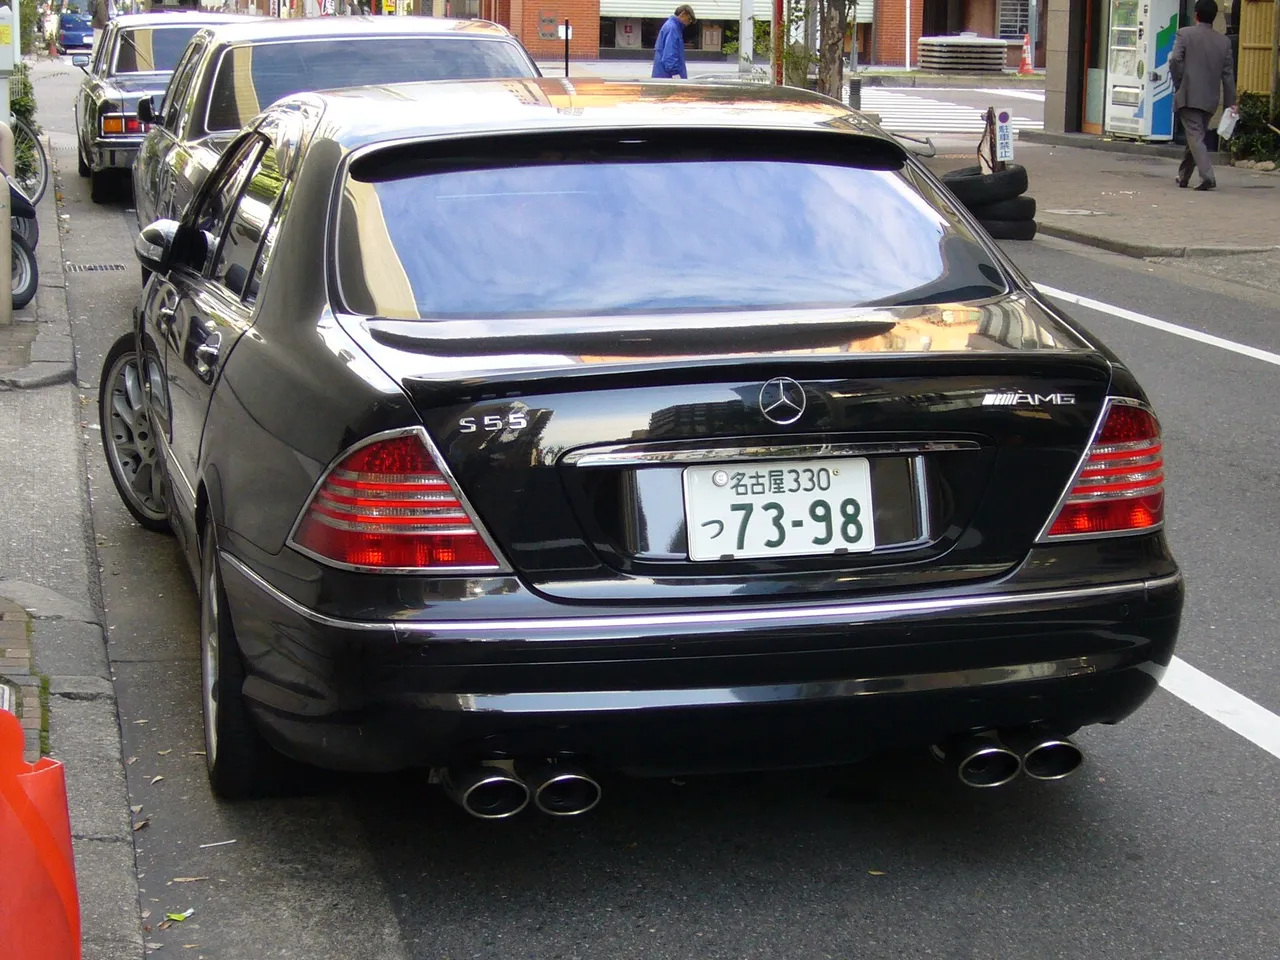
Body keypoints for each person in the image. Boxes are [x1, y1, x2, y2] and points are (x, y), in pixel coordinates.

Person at [1168, 0, 1236, 191]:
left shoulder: (1185, 33)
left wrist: (1179, 81)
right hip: (1210, 99)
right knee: (1195, 136)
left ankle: (1207, 176)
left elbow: (1175, 59)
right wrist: (1231, 102)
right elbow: (1228, 75)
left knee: (1195, 137)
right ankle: (1183, 176)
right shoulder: (1224, 42)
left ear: (1196, 14)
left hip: (1189, 94)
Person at [652, 5, 695, 80]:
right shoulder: (673, 29)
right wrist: (675, 73)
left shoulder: (670, 26)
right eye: (689, 19)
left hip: (662, 75)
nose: (689, 23)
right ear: (683, 14)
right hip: (667, 77)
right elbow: (670, 54)